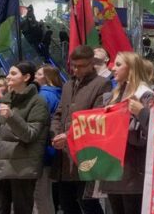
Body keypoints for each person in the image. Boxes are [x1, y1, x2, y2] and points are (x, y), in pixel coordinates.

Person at [0, 62, 49, 214]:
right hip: (1, 165)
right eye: (9, 73)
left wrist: (11, 116)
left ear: (26, 77)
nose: (8, 76)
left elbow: (30, 135)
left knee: (22, 210)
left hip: (22, 167)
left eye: (13, 73)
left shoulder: (38, 102)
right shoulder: (6, 100)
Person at [50, 46, 109, 214]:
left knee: (88, 203)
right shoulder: (68, 85)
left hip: (86, 153)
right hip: (64, 155)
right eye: (73, 66)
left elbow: (96, 118)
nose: (76, 69)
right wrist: (55, 135)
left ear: (92, 64)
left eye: (81, 66)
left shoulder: (101, 84)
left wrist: (68, 136)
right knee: (66, 203)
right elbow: (58, 114)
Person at [99, 52, 154, 214]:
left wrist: (119, 123)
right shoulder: (113, 95)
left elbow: (146, 136)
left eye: (118, 65)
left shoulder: (145, 95)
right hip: (113, 170)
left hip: (133, 173)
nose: (112, 68)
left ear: (131, 68)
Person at [33, 66, 63, 214]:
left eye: (39, 73)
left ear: (47, 77)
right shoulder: (58, 94)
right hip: (49, 149)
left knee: (40, 196)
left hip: (42, 151)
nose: (35, 75)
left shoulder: (43, 96)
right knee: (45, 195)